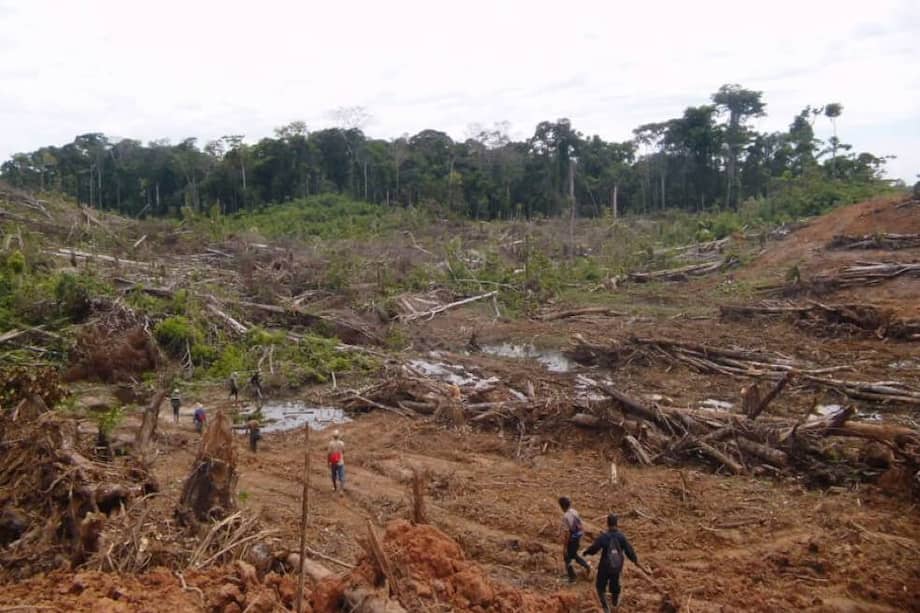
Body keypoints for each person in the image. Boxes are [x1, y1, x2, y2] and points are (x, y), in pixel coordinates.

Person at [583, 513, 646, 612]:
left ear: (607, 523)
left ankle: (605, 607)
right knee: (615, 585)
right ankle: (615, 603)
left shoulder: (604, 536)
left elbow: (594, 548)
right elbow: (629, 550)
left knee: (600, 587)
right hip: (617, 566)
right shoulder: (621, 537)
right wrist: (635, 561)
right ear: (617, 523)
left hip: (604, 566)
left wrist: (586, 552)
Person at [558, 496, 591, 582]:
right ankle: (586, 566)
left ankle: (572, 577)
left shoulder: (566, 516)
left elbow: (567, 533)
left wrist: (565, 547)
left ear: (562, 506)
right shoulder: (574, 511)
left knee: (567, 556)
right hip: (578, 536)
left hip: (572, 539)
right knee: (574, 555)